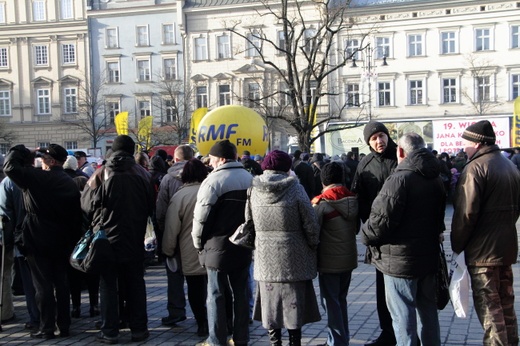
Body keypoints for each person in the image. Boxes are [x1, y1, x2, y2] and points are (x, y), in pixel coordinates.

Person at [361, 133, 445, 346]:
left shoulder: (399, 178)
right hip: (428, 257)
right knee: (428, 312)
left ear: (400, 151)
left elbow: (379, 223)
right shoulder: (435, 177)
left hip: (400, 262)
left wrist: (365, 236)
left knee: (403, 316)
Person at [451, 120, 520, 346]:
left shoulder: (475, 168)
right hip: (506, 248)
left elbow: (465, 215)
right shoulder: (509, 166)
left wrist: (457, 245)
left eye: (466, 143)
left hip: (482, 254)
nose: (464, 148)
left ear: (478, 143)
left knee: (490, 310)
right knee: (506, 305)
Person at [4, 144, 82, 339]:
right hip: (62, 238)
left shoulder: (38, 178)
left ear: (51, 161)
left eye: (43, 157)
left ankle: (47, 326)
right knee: (61, 283)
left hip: (37, 237)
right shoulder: (68, 182)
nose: (39, 159)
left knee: (43, 286)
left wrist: (22, 149)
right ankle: (63, 325)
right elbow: (76, 217)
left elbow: (10, 167)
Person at [81, 135, 154, 344]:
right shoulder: (143, 174)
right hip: (134, 237)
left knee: (108, 285)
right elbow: (151, 205)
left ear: (112, 150)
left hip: (106, 239)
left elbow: (85, 204)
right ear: (132, 151)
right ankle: (139, 329)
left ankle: (110, 330)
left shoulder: (101, 173)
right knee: (135, 284)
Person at [250, 150, 321, 346]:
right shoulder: (296, 189)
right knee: (293, 303)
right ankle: (294, 342)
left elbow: (248, 222)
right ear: (287, 167)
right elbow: (310, 222)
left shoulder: (253, 190)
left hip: (265, 258)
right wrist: (313, 243)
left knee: (270, 303)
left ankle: (275, 342)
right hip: (294, 256)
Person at [192, 139, 253, 346]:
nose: (209, 162)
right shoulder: (249, 178)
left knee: (216, 295)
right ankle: (241, 337)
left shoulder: (213, 181)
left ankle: (216, 339)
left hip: (216, 247)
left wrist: (198, 244)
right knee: (241, 294)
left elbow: (201, 217)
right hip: (243, 246)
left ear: (221, 159)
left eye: (211, 158)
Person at [351, 121, 398, 346]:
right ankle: (387, 333)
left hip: (403, 234)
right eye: (374, 138)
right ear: (368, 142)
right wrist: (366, 227)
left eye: (382, 136)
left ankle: (409, 335)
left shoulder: (401, 157)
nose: (379, 141)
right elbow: (358, 197)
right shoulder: (365, 164)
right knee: (382, 289)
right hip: (378, 237)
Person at [312, 162, 358, 346]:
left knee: (330, 302)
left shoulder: (322, 203)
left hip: (329, 261)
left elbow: (313, 232)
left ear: (323, 180)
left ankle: (337, 341)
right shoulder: (353, 199)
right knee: (340, 299)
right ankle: (341, 337)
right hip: (349, 258)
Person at [162, 158, 209, 337]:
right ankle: (220, 321)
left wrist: (168, 250)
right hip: (213, 250)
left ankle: (201, 323)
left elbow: (171, 228)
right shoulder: (211, 191)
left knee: (195, 290)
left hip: (190, 251)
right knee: (215, 288)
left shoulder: (179, 196)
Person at [155, 145, 195, 326]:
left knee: (174, 274)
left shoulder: (168, 179)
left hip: (174, 232)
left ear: (175, 159)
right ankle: (201, 312)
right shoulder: (202, 176)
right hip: (196, 233)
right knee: (198, 275)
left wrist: (163, 231)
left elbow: (161, 208)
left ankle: (176, 311)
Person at [63, 155, 100, 319]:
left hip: (72, 244)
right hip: (90, 243)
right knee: (92, 277)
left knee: (74, 278)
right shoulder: (89, 203)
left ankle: (76, 307)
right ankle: (94, 305)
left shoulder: (69, 204)